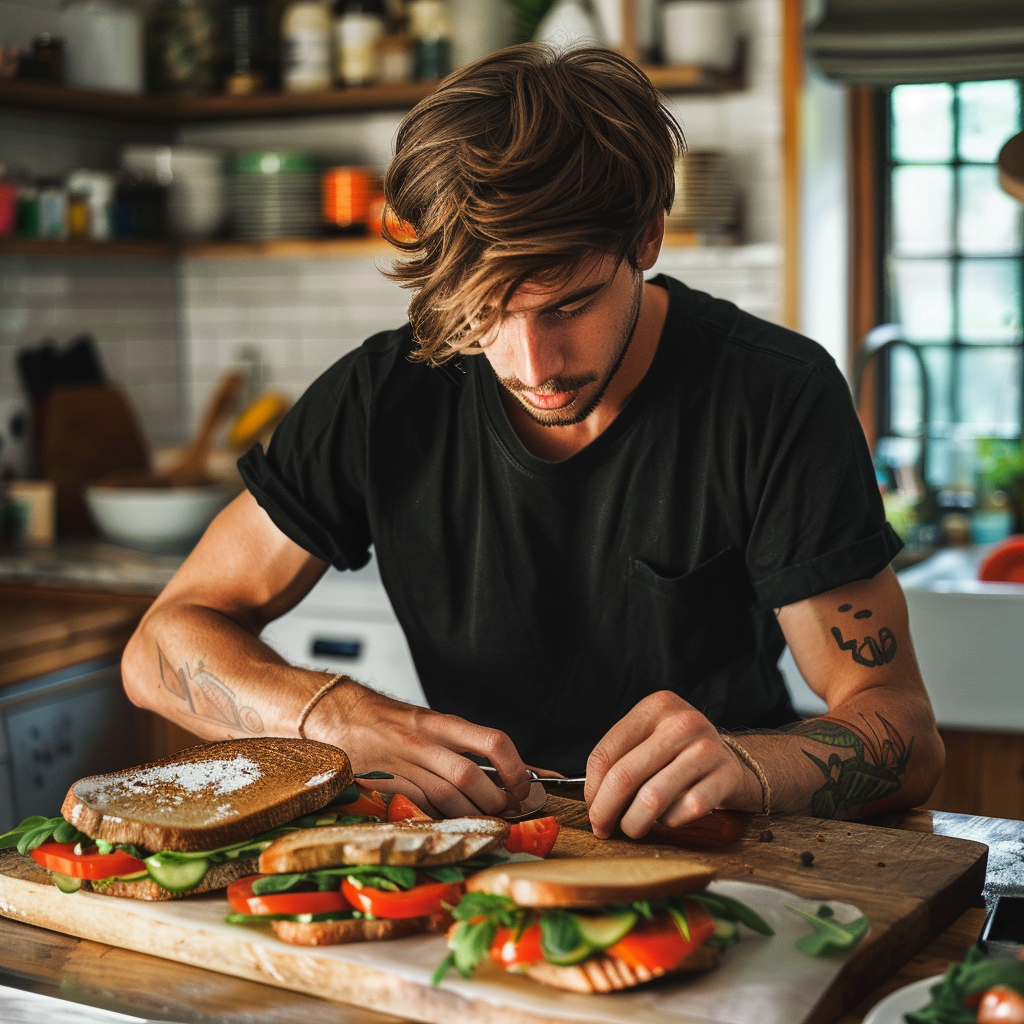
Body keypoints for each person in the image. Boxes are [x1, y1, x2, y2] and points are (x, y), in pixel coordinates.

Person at [122, 44, 944, 838]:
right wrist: (334, 716)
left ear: (647, 238)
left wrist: (750, 765)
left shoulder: (775, 393)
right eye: (485, 314)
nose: (532, 365)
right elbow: (159, 646)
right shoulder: (386, 394)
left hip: (728, 848)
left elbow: (903, 729)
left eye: (568, 306)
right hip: (475, 855)